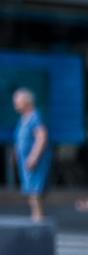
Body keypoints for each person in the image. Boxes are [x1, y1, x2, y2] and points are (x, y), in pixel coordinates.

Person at [13, 88, 50, 222]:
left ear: (27, 102)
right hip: (26, 160)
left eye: (18, 101)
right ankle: (36, 217)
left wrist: (34, 156)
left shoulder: (35, 117)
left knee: (35, 190)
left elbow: (42, 137)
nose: (15, 104)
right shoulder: (23, 118)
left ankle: (38, 219)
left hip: (35, 161)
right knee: (30, 190)